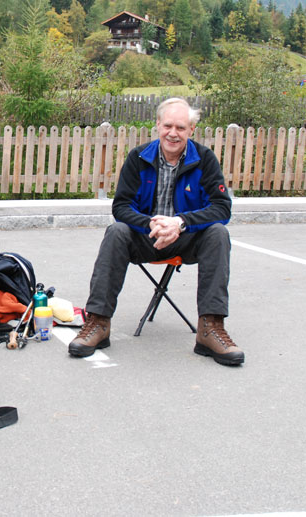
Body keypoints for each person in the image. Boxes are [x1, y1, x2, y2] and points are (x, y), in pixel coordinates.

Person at [68, 97, 244, 366]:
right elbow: (121, 206)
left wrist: (180, 223)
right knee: (116, 231)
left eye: (181, 128)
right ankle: (98, 323)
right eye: (168, 126)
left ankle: (210, 328)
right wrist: (151, 224)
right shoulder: (138, 158)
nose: (173, 133)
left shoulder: (205, 159)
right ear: (158, 125)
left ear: (191, 130)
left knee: (218, 233)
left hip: (186, 238)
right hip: (146, 237)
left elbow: (222, 208)